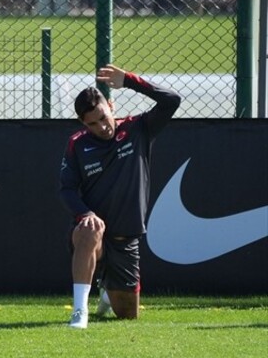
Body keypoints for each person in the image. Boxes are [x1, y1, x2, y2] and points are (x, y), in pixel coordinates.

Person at [59, 64, 181, 329]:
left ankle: (107, 287)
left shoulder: (139, 129)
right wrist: (86, 213)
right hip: (94, 233)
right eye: (92, 123)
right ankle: (80, 311)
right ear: (83, 123)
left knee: (127, 315)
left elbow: (172, 100)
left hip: (126, 238)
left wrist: (129, 80)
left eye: (103, 117)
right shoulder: (77, 144)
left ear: (111, 107)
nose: (101, 126)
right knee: (89, 230)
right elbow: (67, 189)